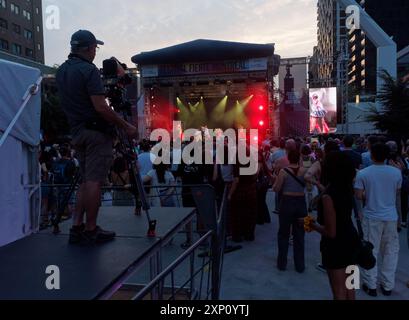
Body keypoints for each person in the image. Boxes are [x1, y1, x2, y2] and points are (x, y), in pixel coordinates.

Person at [56, 30, 137, 245]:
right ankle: (91, 229)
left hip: (77, 132)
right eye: (94, 48)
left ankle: (77, 226)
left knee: (84, 180)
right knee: (94, 181)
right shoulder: (89, 70)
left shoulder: (62, 71)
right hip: (96, 134)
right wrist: (125, 125)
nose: (95, 52)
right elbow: (101, 107)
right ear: (87, 48)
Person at [303, 152, 360, 300]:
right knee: (351, 287)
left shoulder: (330, 195)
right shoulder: (348, 188)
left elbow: (331, 232)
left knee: (339, 292)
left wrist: (311, 224)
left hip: (336, 247)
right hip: (352, 242)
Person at [355, 143, 402, 297]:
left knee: (370, 250)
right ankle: (387, 285)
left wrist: (369, 195)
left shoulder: (363, 174)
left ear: (372, 155)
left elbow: (358, 195)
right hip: (390, 216)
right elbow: (396, 193)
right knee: (390, 252)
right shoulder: (396, 173)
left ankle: (370, 285)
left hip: (371, 216)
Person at [273, 149, 308, 273]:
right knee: (300, 234)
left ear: (288, 158)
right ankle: (300, 265)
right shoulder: (305, 171)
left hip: (286, 203)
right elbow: (309, 188)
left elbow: (276, 189)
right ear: (299, 158)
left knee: (283, 233)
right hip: (301, 203)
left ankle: (282, 263)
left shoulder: (283, 171)